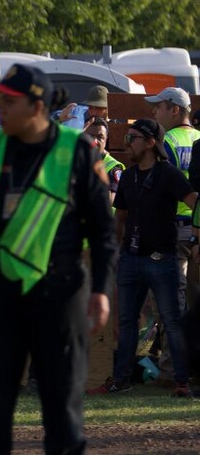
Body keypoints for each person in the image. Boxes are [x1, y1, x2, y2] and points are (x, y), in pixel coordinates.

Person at [0, 64, 117, 454]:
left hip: (61, 292)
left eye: (6, 100)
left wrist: (101, 290)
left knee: (62, 410)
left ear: (35, 106)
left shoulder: (79, 153)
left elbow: (102, 231)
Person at [88, 119, 195, 398]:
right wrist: (113, 252)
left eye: (132, 138)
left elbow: (194, 200)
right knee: (126, 322)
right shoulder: (130, 176)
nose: (127, 144)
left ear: (150, 142)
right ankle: (121, 379)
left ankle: (182, 381)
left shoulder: (168, 174)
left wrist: (196, 234)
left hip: (163, 259)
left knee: (172, 320)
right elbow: (120, 218)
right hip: (131, 259)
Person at [148, 86, 199, 315]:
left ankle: (175, 351)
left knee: (172, 299)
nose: (154, 113)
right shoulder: (199, 138)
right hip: (198, 226)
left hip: (175, 230)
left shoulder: (167, 141)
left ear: (175, 110)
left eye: (158, 107)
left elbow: (159, 186)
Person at [84, 117, 124, 201]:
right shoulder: (75, 161)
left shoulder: (113, 167)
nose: (94, 141)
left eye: (100, 137)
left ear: (106, 140)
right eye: (90, 136)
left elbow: (109, 202)